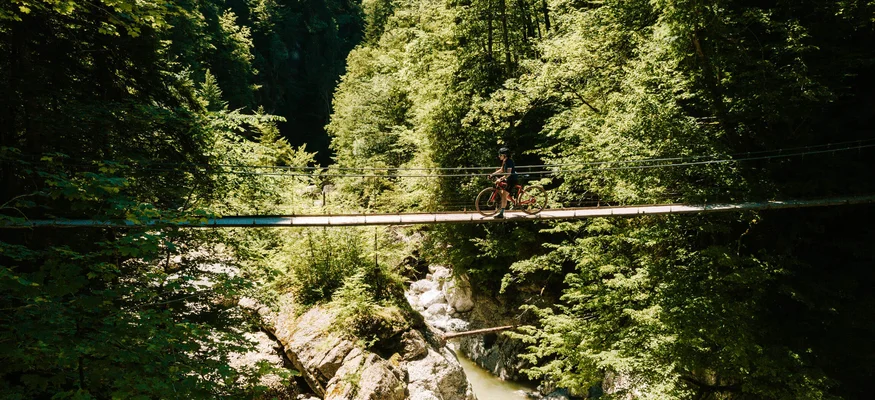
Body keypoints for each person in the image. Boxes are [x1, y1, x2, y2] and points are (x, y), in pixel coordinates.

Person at [492, 147, 518, 219]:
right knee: (503, 193)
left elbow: (508, 174)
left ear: (505, 155)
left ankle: (501, 214)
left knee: (504, 195)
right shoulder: (504, 161)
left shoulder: (509, 162)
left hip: (512, 179)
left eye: (500, 155)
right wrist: (492, 174)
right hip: (508, 179)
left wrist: (500, 179)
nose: (499, 156)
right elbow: (501, 170)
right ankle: (513, 201)